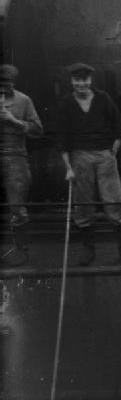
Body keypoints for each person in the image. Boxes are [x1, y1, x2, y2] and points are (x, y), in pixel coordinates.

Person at [56, 62, 121, 266]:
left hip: (104, 156)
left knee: (113, 201)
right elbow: (63, 139)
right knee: (83, 204)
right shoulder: (66, 104)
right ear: (71, 81)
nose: (81, 84)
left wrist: (112, 152)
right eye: (77, 80)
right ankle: (88, 252)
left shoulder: (103, 99)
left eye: (85, 79)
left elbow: (118, 128)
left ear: (90, 80)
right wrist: (68, 167)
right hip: (79, 157)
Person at [0, 64, 43, 266]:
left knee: (17, 206)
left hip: (14, 154)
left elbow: (37, 130)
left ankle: (20, 250)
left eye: (6, 83)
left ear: (13, 83)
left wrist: (13, 121)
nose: (2, 87)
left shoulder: (24, 100)